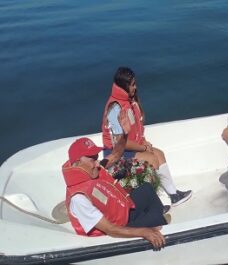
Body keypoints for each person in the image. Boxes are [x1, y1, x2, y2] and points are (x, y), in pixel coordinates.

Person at [102, 67, 192, 206]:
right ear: (125, 86)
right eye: (132, 85)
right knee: (151, 160)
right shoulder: (115, 109)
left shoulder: (129, 101)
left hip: (133, 147)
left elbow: (135, 129)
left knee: (159, 154)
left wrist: (145, 143)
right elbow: (121, 144)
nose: (135, 87)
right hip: (117, 154)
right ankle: (153, 205)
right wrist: (143, 147)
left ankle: (174, 195)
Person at [61, 137, 166, 249]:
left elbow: (116, 155)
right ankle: (158, 227)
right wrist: (144, 232)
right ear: (78, 163)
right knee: (155, 218)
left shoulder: (91, 170)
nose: (98, 163)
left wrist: (125, 135)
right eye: (93, 160)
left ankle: (152, 219)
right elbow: (110, 229)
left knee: (146, 189)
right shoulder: (79, 198)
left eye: (96, 158)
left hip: (122, 211)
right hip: (118, 228)